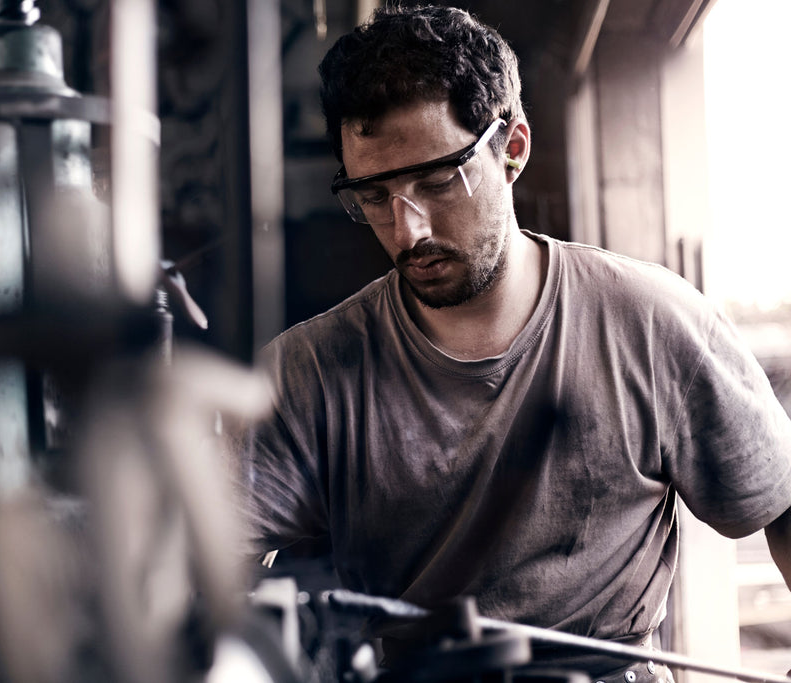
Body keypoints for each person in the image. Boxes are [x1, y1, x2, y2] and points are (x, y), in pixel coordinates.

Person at [235, 3, 791, 680]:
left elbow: (782, 503)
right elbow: (200, 557)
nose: (406, 229)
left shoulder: (652, 322)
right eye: (374, 196)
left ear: (513, 149)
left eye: (438, 181)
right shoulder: (310, 372)